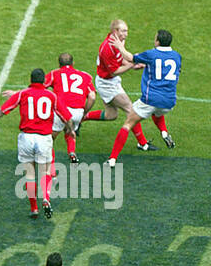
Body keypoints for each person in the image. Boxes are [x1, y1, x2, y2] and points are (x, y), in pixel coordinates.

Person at [0, 68, 72, 219]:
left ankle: (34, 208)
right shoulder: (51, 95)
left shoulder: (23, 93)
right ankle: (46, 198)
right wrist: (71, 130)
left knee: (29, 174)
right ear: (43, 81)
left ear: (31, 79)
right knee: (46, 171)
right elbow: (66, 117)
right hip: (44, 138)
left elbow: (3, 110)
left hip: (26, 138)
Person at [106, 29, 179, 165]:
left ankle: (112, 159)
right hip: (169, 101)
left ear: (158, 41)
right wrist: (148, 65)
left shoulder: (151, 54)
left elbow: (129, 58)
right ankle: (163, 132)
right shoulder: (177, 56)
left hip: (150, 99)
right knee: (157, 113)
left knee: (128, 124)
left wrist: (120, 46)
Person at [81, 19, 145, 141]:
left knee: (111, 115)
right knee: (130, 109)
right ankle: (142, 143)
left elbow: (120, 58)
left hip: (111, 81)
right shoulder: (107, 48)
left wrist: (133, 63)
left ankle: (82, 118)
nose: (126, 34)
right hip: (107, 83)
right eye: (124, 31)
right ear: (115, 31)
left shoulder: (118, 41)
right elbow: (114, 71)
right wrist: (132, 65)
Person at [44, 54, 96, 164]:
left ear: (59, 64)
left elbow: (41, 86)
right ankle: (72, 153)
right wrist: (84, 112)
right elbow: (92, 96)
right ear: (73, 63)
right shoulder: (85, 76)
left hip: (61, 111)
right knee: (69, 130)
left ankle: (50, 166)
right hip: (77, 112)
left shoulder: (55, 73)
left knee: (50, 138)